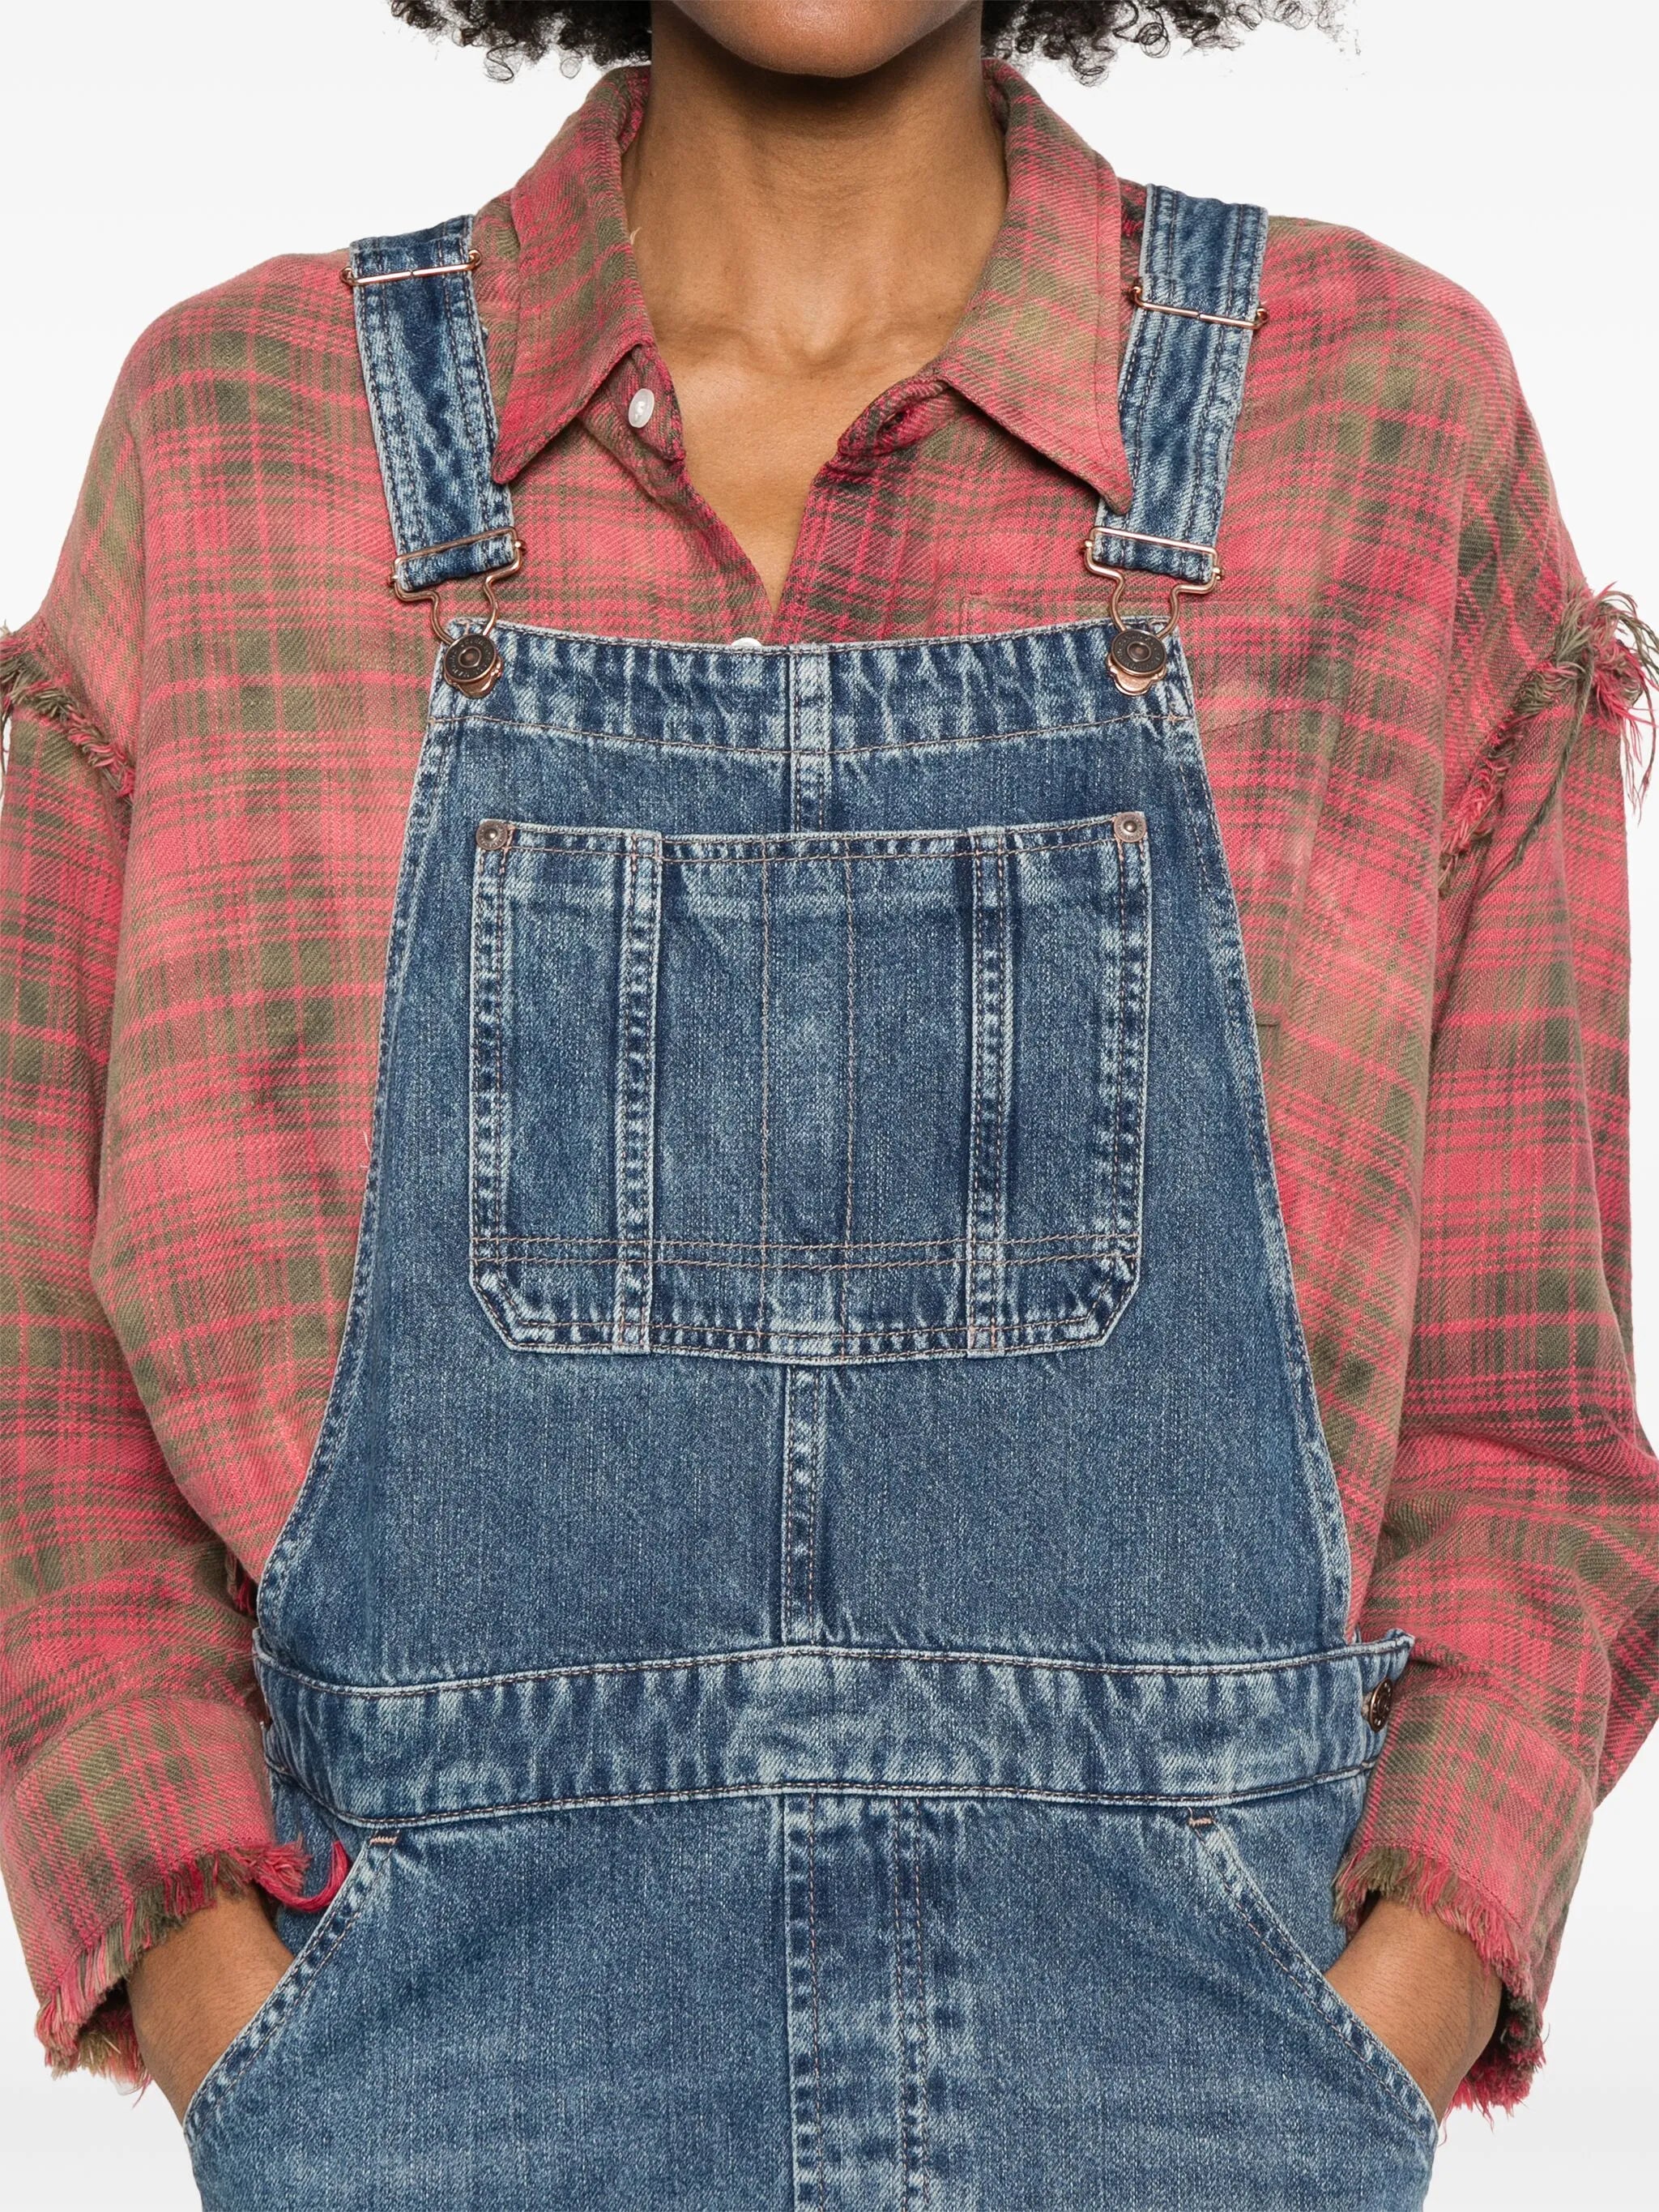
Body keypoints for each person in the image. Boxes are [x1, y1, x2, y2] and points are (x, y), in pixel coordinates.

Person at [1, 2, 1655, 2206]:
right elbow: (46, 1430)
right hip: (424, 2119)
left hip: (1185, 2123)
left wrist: (1370, 2027)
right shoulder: (237, 446)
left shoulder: (1378, 425)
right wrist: (246, 2025)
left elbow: (1522, 1446)